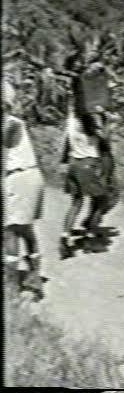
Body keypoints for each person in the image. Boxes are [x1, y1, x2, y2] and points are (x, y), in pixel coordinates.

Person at [2, 81, 46, 299]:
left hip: (20, 177)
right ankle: (34, 278)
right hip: (27, 176)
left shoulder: (11, 124)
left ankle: (12, 288)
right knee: (25, 229)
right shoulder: (12, 122)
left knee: (9, 230)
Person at [59, 98, 116, 258]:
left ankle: (65, 238)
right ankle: (90, 239)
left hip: (74, 163)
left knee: (76, 203)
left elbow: (66, 143)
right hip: (88, 164)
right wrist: (106, 119)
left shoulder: (71, 118)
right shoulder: (87, 120)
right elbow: (105, 140)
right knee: (100, 201)